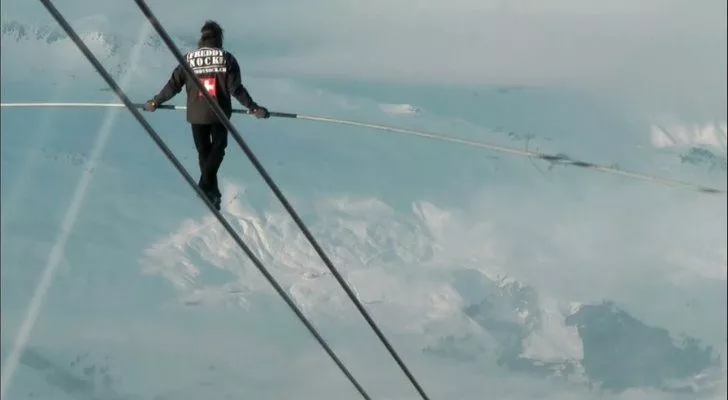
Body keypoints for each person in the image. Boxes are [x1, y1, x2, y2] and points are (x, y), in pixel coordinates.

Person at [143, 20, 270, 210]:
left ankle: (213, 193)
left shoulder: (188, 59)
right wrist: (253, 107)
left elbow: (173, 85)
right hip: (219, 113)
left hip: (196, 114)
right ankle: (205, 186)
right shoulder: (227, 58)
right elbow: (235, 88)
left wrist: (155, 102)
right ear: (219, 38)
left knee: (204, 152)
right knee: (217, 150)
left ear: (202, 38)